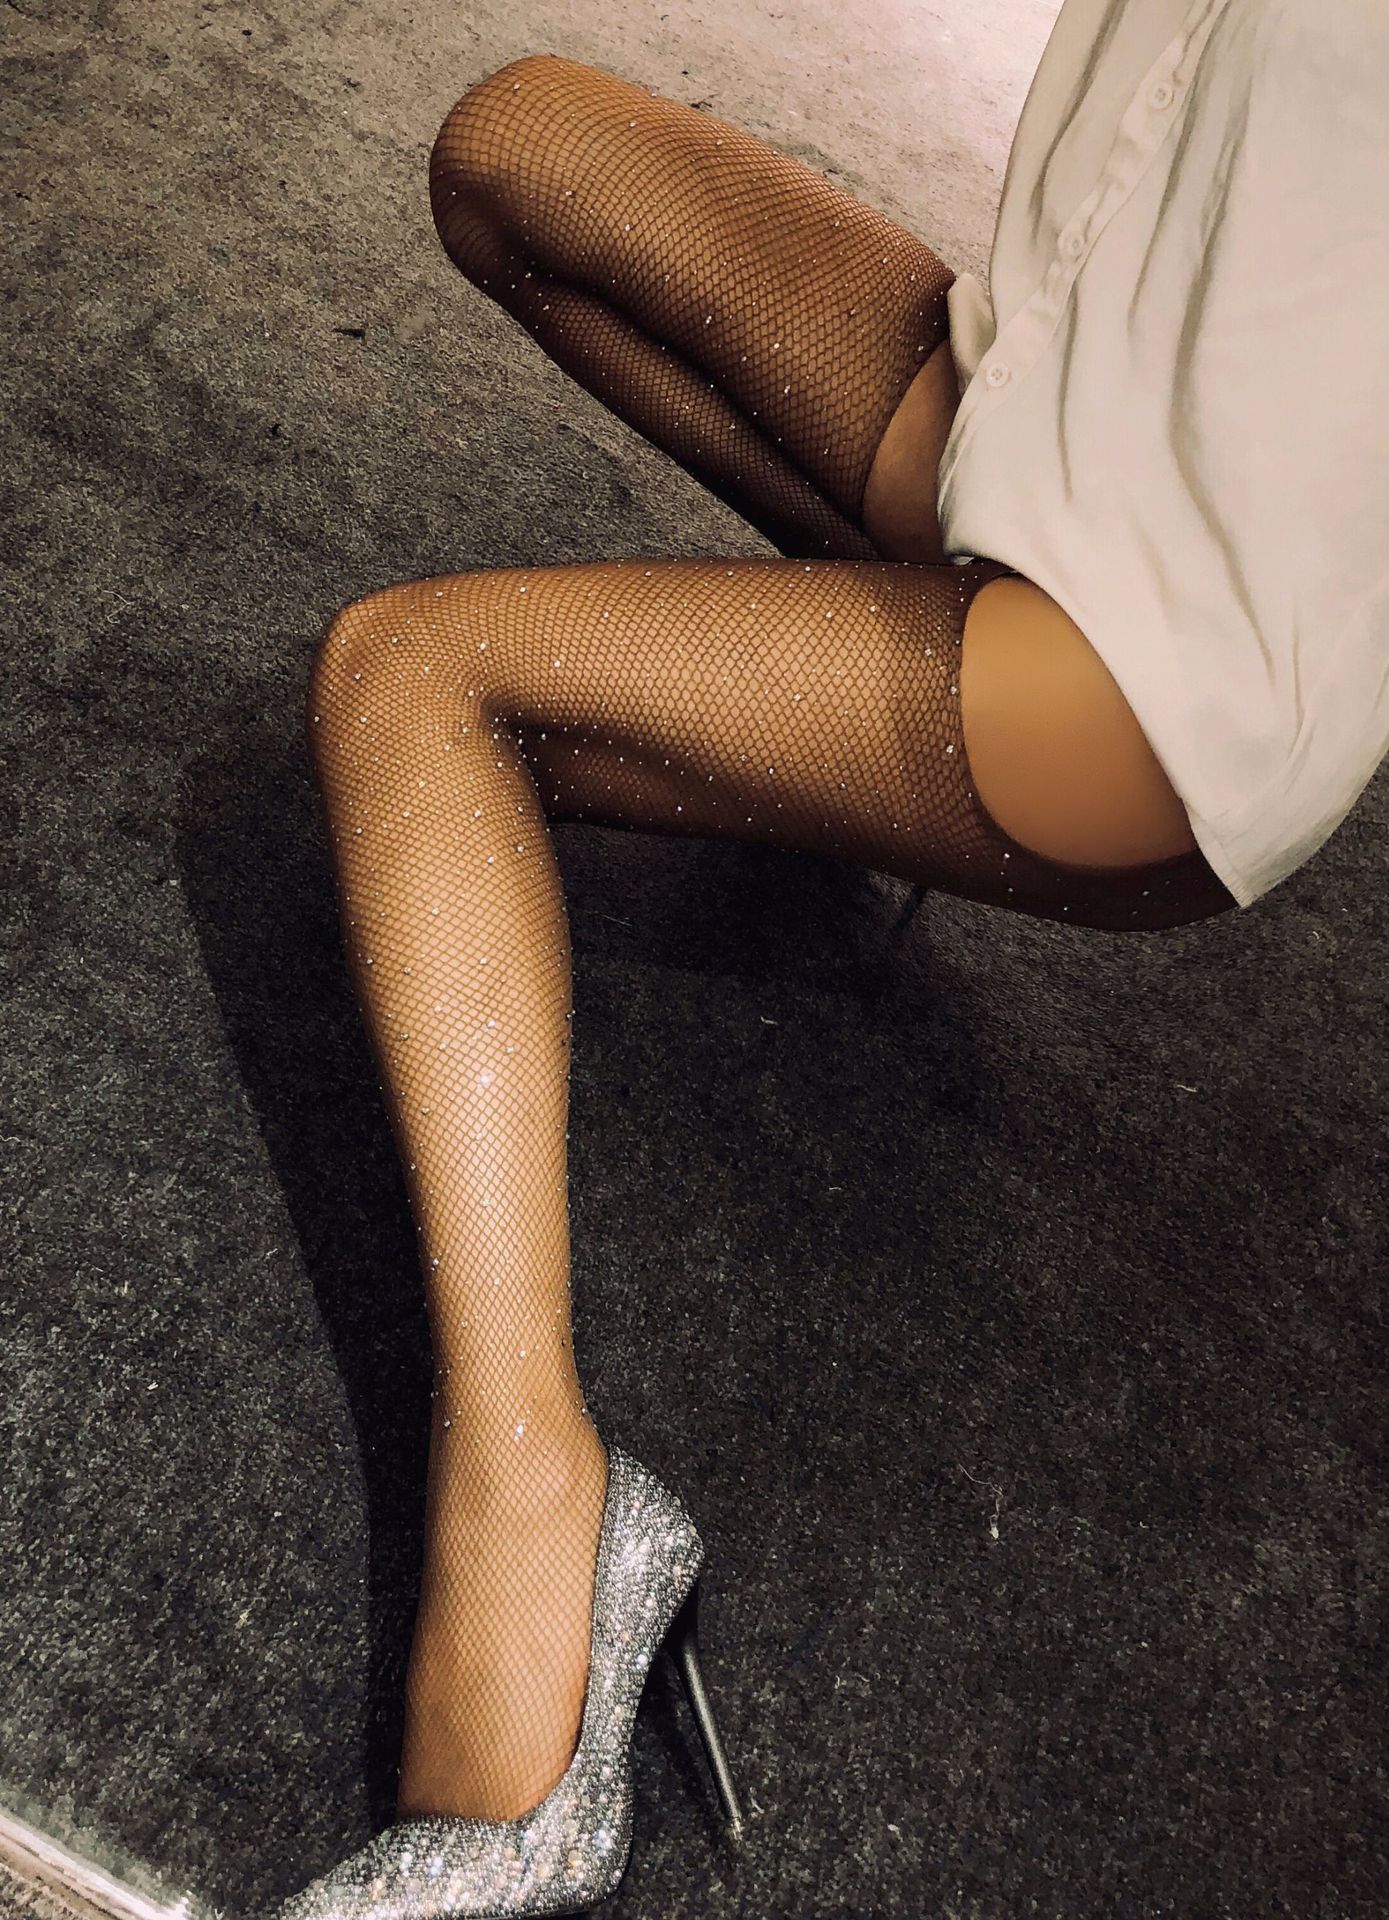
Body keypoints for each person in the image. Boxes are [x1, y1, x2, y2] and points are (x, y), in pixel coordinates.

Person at [275, 9, 1386, 1914]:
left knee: (410, 680)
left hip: (1158, 667)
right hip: (1032, 417)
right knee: (519, 153)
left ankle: (536, 1534)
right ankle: (831, 736)